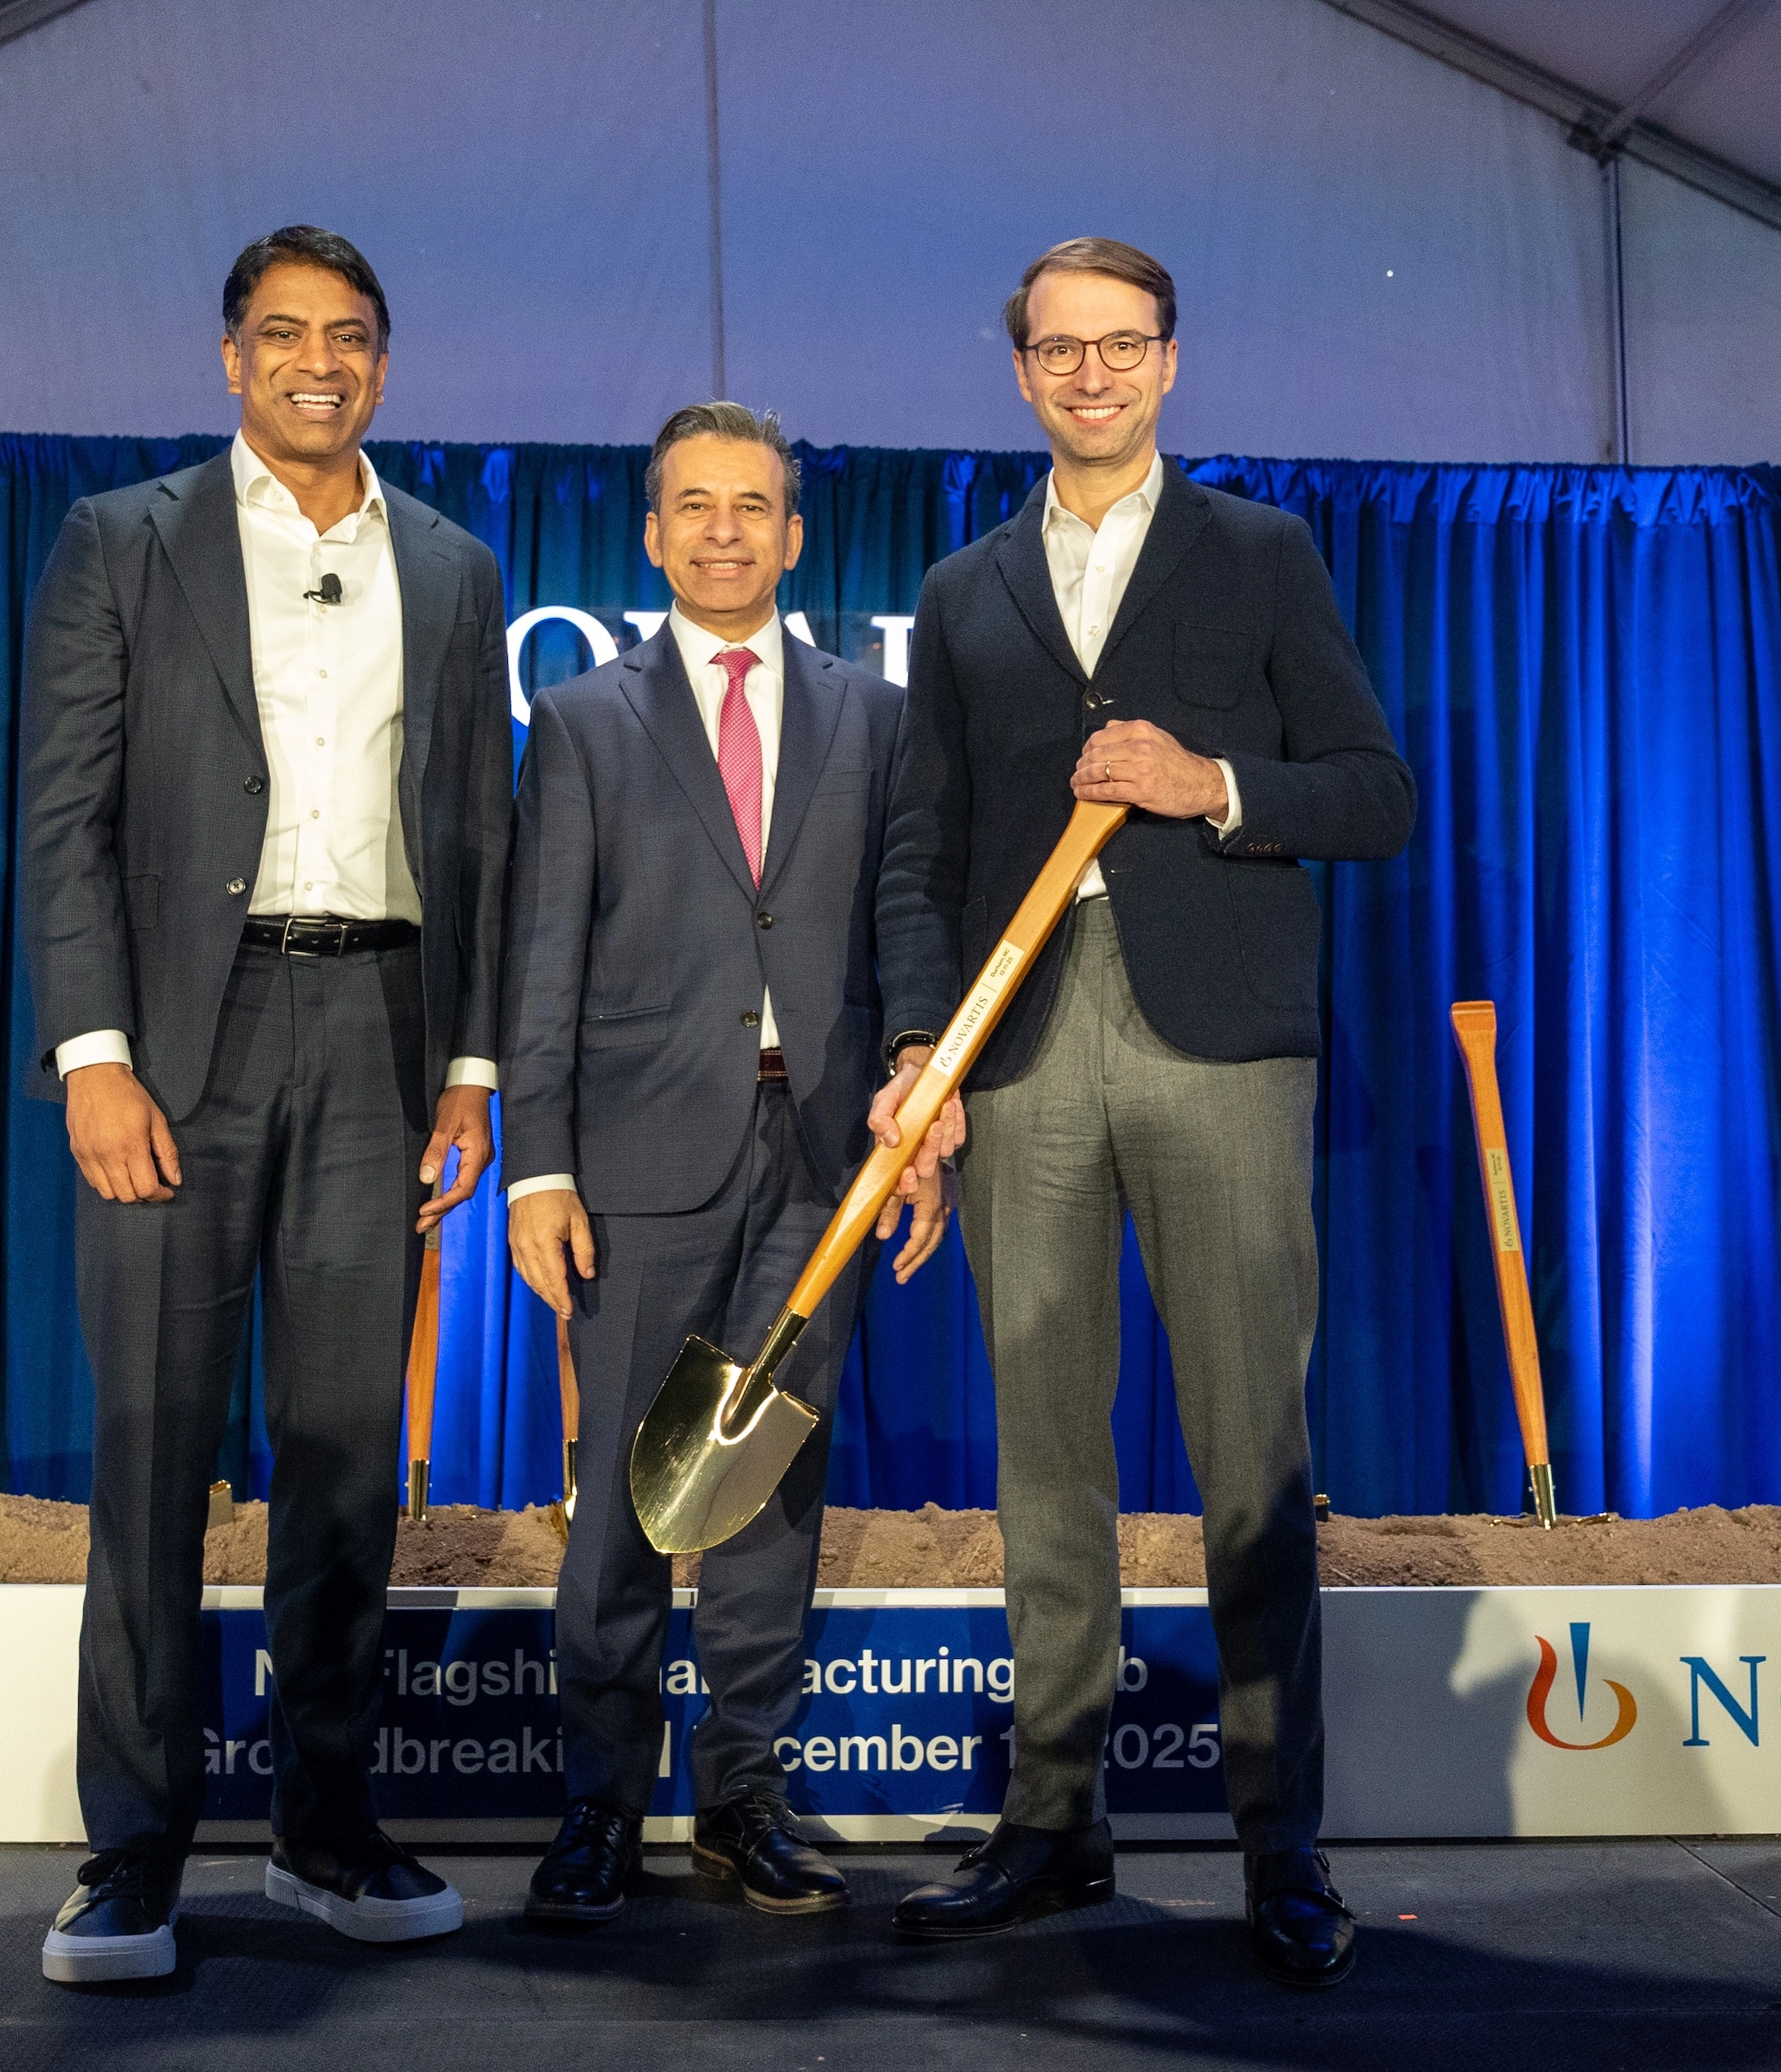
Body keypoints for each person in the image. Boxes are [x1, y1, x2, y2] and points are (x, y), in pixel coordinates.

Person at [870, 238, 1415, 1985]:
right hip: (1018, 1049)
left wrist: (1209, 785)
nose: (1089, 373)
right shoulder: (961, 588)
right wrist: (917, 1049)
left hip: (1217, 1051)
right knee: (1045, 1459)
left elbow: (1372, 793)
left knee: (1250, 1448)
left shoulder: (1256, 553)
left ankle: (1280, 1842)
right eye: (1057, 347)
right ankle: (1049, 1829)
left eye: (1121, 345)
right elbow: (919, 853)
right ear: (1017, 367)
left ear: (1169, 360)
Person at [19, 225, 510, 1982]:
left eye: (353, 335)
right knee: (152, 1450)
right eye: (285, 332)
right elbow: (61, 813)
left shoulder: (450, 565)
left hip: (379, 1026)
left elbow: (475, 828)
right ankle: (132, 1847)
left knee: (340, 1460)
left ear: (384, 362)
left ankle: (325, 1825)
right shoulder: (120, 540)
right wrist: (93, 1052)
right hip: (173, 1046)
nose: (321, 359)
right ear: (231, 356)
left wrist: (468, 1068)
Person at [500, 402, 952, 1925]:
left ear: (794, 532)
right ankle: (601, 1806)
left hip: (826, 1157)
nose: (721, 531)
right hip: (634, 1157)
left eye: (750, 505)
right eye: (692, 505)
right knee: (630, 1485)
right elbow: (540, 959)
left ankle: (743, 1795)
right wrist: (535, 1166)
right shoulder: (580, 723)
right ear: (650, 532)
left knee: (766, 1487)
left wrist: (917, 1106)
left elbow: (904, 929)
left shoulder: (873, 718)